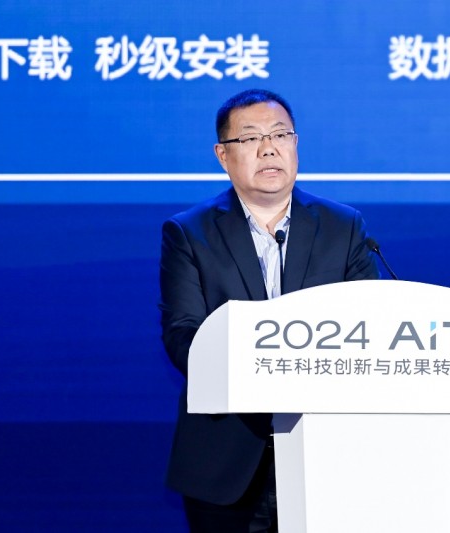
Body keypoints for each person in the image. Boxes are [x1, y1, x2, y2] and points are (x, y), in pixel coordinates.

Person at [159, 89, 380, 532]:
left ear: (296, 144)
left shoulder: (343, 227)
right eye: (251, 138)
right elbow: (184, 337)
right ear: (223, 156)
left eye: (280, 134)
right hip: (226, 460)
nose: (269, 148)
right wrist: (267, 375)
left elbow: (372, 327)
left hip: (329, 453)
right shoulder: (189, 233)